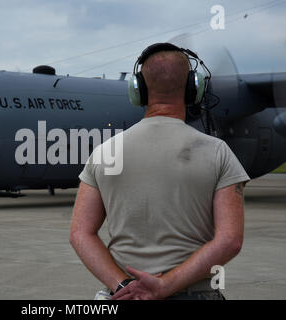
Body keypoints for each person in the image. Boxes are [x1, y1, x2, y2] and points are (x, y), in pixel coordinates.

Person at [69, 43, 250, 300]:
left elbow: (80, 233)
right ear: (193, 88)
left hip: (125, 297)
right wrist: (164, 286)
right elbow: (230, 241)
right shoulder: (218, 152)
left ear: (138, 90)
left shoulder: (104, 152)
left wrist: (123, 287)